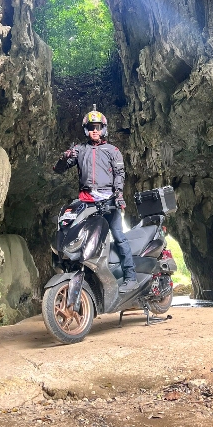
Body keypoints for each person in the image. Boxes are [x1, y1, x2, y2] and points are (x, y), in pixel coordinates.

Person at [53, 106, 139, 293]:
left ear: (103, 129)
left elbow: (119, 174)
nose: (95, 130)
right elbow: (59, 169)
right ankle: (86, 277)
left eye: (98, 127)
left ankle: (130, 277)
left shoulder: (112, 150)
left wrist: (118, 195)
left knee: (118, 236)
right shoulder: (79, 150)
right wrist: (63, 157)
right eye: (91, 127)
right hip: (86, 202)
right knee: (80, 235)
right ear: (86, 130)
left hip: (108, 201)